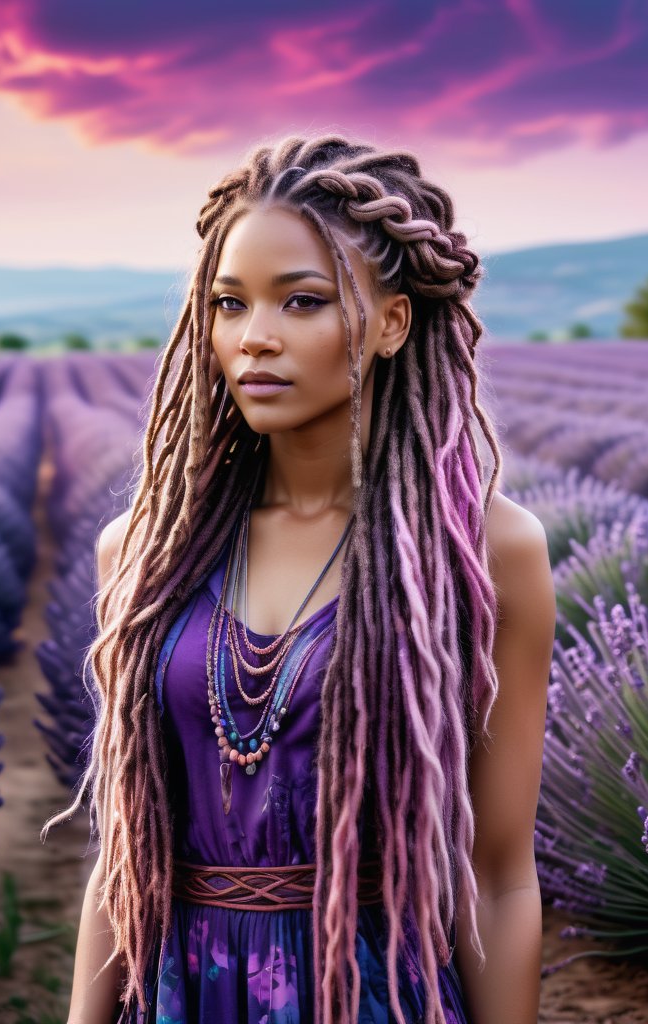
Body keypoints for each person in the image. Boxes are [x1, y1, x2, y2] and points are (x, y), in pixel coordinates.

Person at [52, 133, 555, 1024]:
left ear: (394, 323)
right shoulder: (143, 550)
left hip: (370, 992)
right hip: (183, 994)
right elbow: (124, 854)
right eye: (230, 304)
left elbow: (500, 874)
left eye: (303, 302)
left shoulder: (481, 551)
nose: (256, 339)